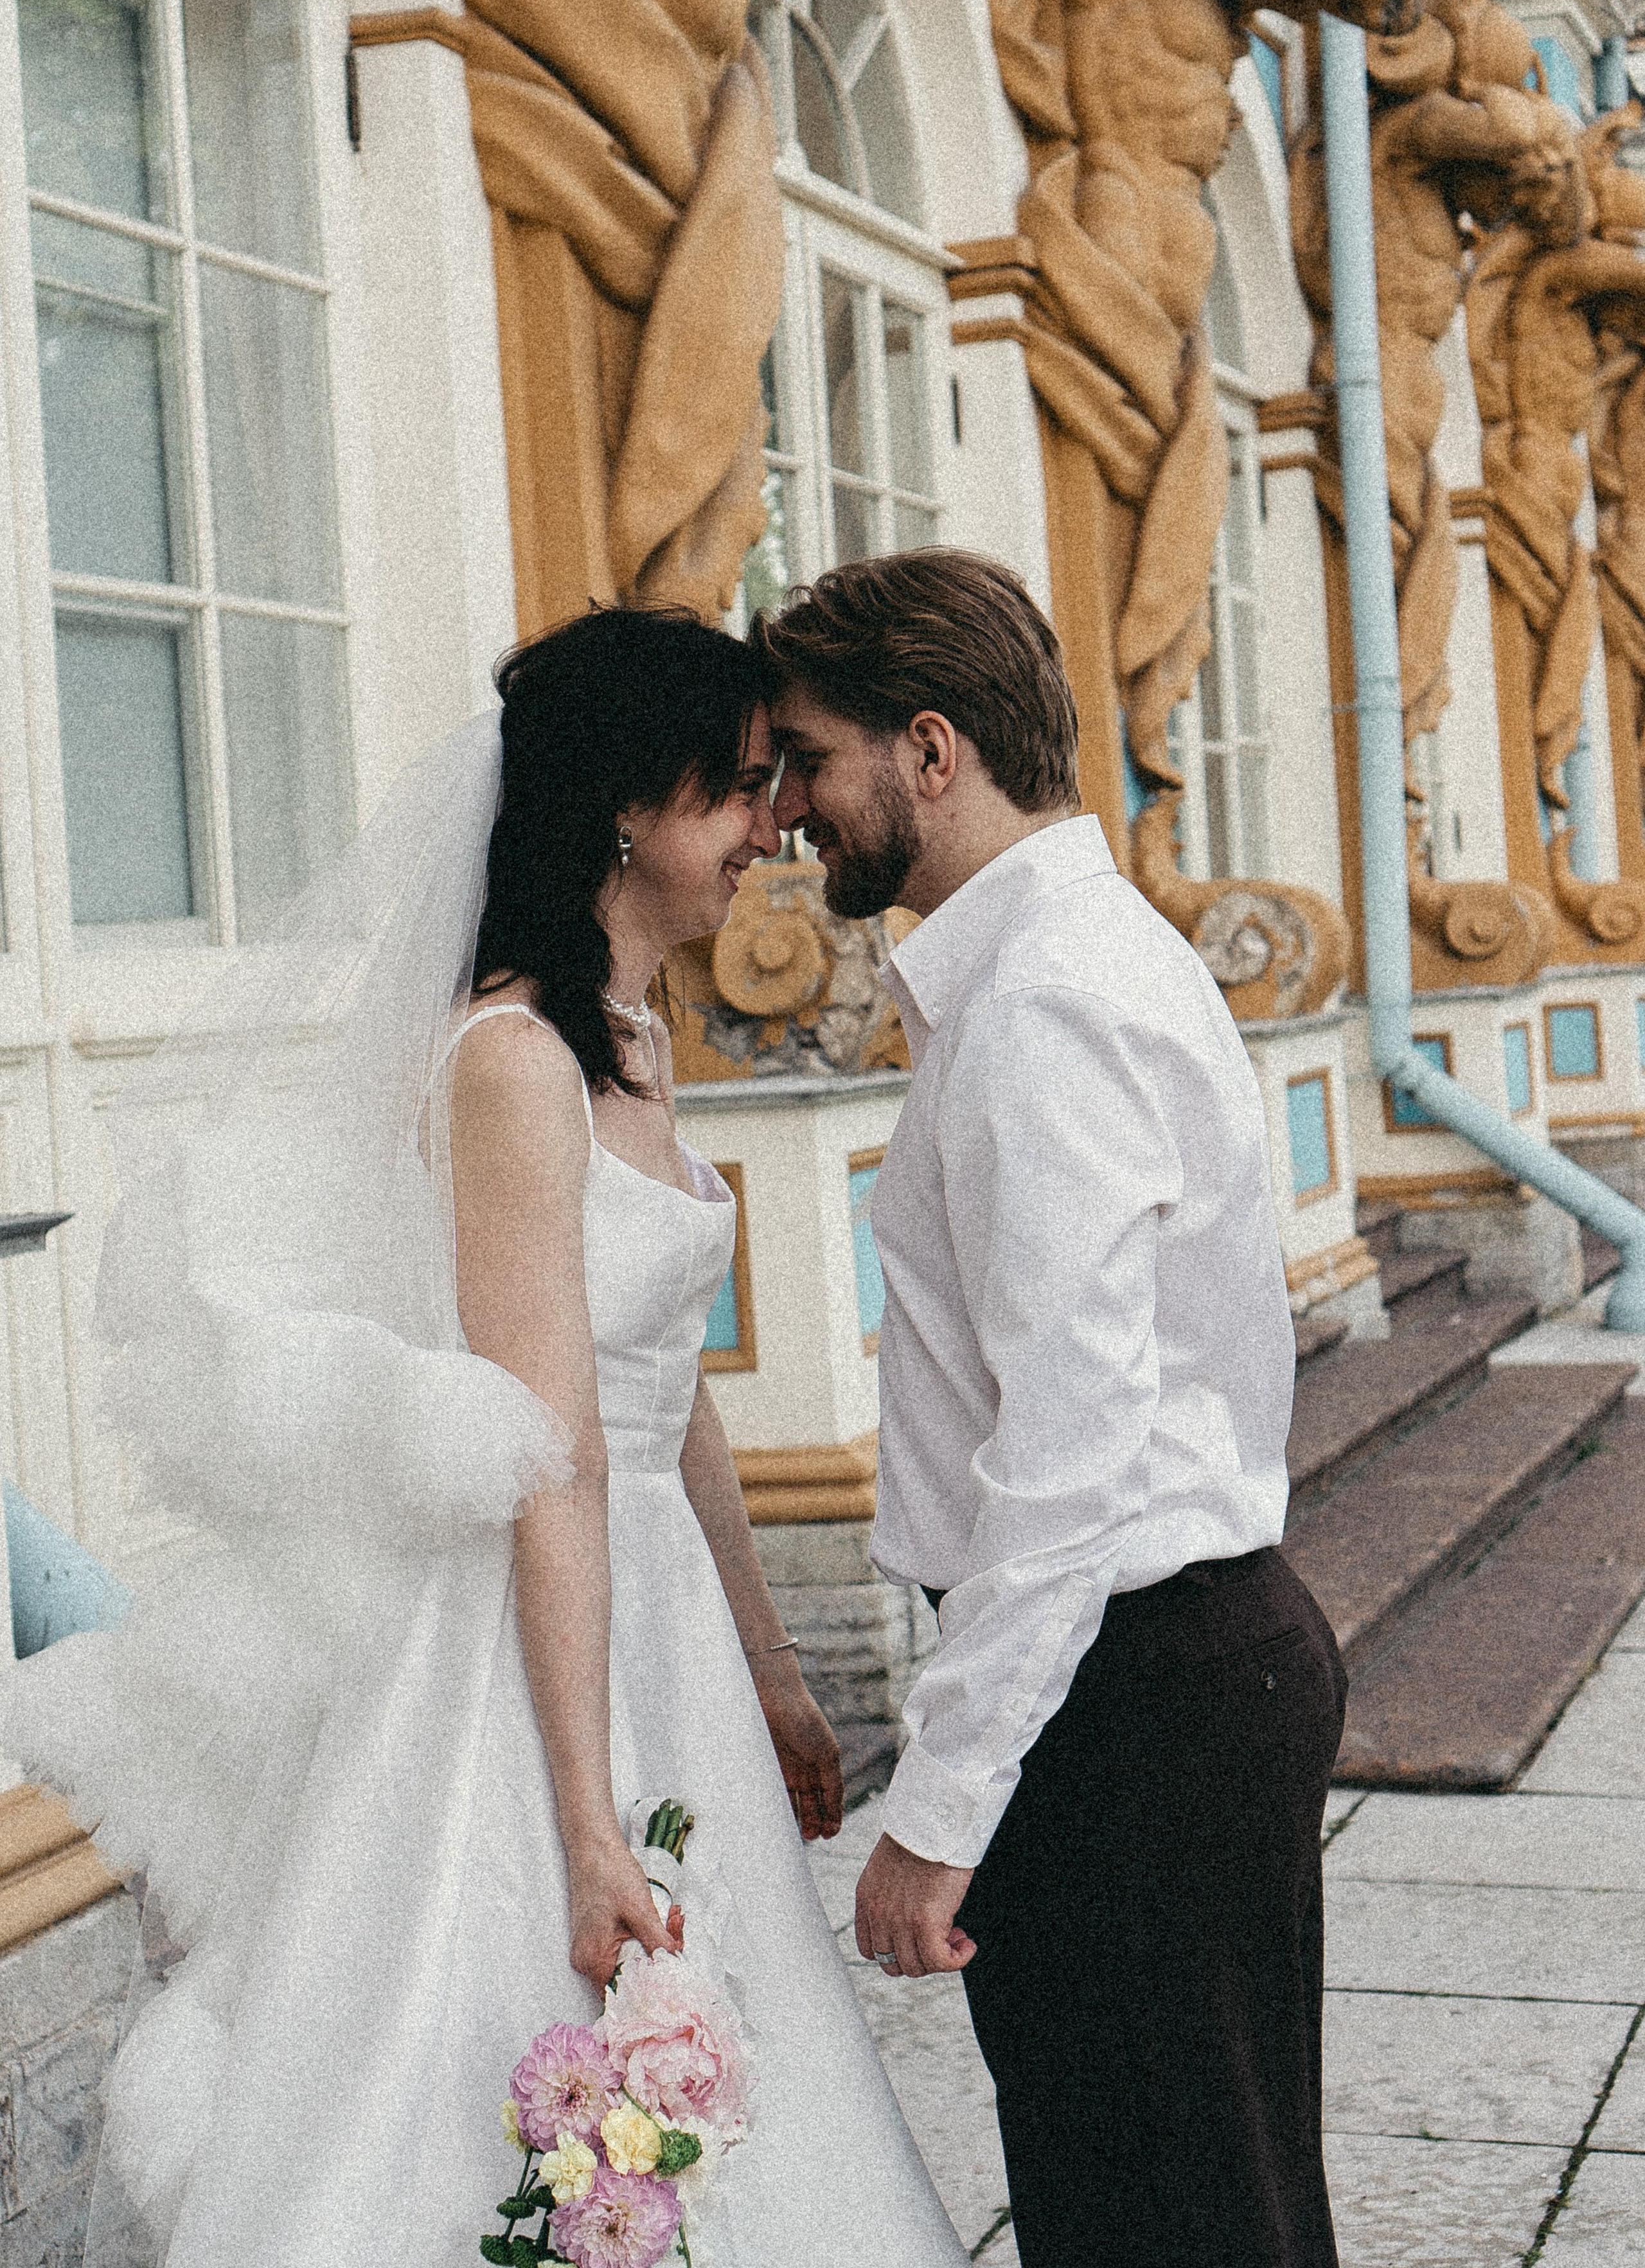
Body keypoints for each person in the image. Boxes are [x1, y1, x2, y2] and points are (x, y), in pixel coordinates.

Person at [6, 608, 970, 2268]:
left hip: (656, 1607)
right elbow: (553, 1448)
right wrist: (586, 1816)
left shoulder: (643, 1047)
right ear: (622, 809)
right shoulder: (512, 1062)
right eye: (736, 793)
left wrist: (773, 1666)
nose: (768, 833)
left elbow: (678, 1404)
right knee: (498, 2058)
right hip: (536, 1646)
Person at [755, 550, 1349, 2268]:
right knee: (1197, 2208)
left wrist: (935, 1820)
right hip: (1164, 1670)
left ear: (929, 752)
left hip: (1135, 1694)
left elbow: (1068, 1464)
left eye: (810, 757)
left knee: (1165, 2220)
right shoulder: (1070, 963)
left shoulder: (1042, 1008)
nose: (789, 806)